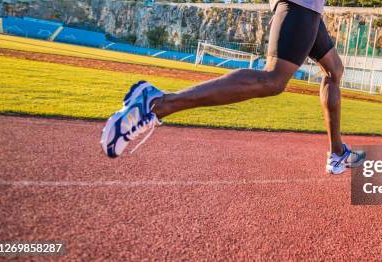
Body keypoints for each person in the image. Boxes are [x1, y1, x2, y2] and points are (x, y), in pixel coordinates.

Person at [100, 0, 365, 174]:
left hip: (308, 7)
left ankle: (337, 152)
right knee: (274, 79)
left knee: (334, 69)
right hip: (301, 3)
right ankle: (157, 104)